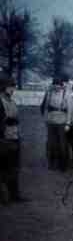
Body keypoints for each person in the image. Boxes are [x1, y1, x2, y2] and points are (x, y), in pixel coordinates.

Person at [0, 75, 27, 203]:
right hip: (4, 139)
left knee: (14, 168)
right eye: (10, 87)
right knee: (4, 168)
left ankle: (14, 195)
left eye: (13, 87)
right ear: (3, 87)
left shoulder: (11, 101)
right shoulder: (1, 101)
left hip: (14, 137)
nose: (13, 89)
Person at [40, 75, 70, 171]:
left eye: (58, 85)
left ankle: (63, 164)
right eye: (55, 85)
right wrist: (46, 118)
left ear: (61, 86)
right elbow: (45, 107)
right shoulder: (49, 93)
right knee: (51, 143)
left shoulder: (66, 94)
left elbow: (70, 110)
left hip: (62, 121)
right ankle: (52, 163)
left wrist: (68, 123)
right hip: (51, 121)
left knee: (62, 143)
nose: (56, 86)